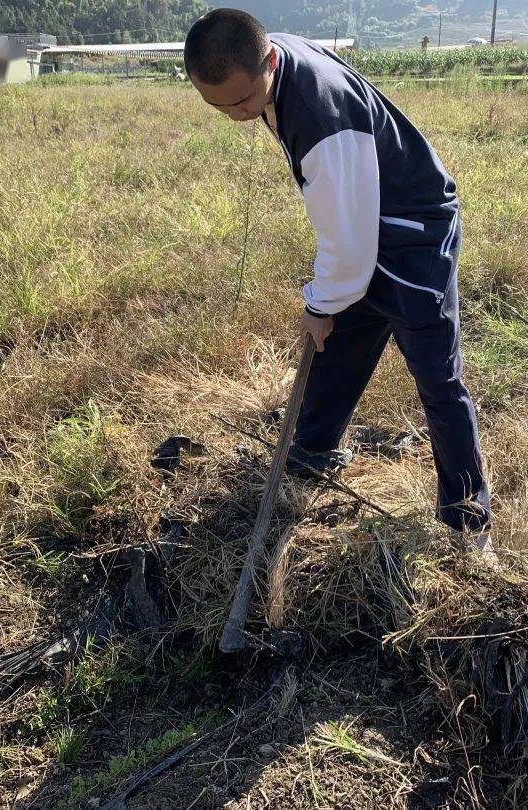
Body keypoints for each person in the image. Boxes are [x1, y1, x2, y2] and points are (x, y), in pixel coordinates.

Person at [183, 9, 493, 552]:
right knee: (340, 348)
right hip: (367, 217)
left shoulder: (321, 118)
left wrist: (319, 303)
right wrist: (331, 306)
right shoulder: (264, 59)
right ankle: (310, 452)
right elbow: (346, 232)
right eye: (219, 106)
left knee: (437, 379)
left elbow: (349, 248)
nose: (236, 115)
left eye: (243, 101)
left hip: (412, 234)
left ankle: (467, 523)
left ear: (270, 63)